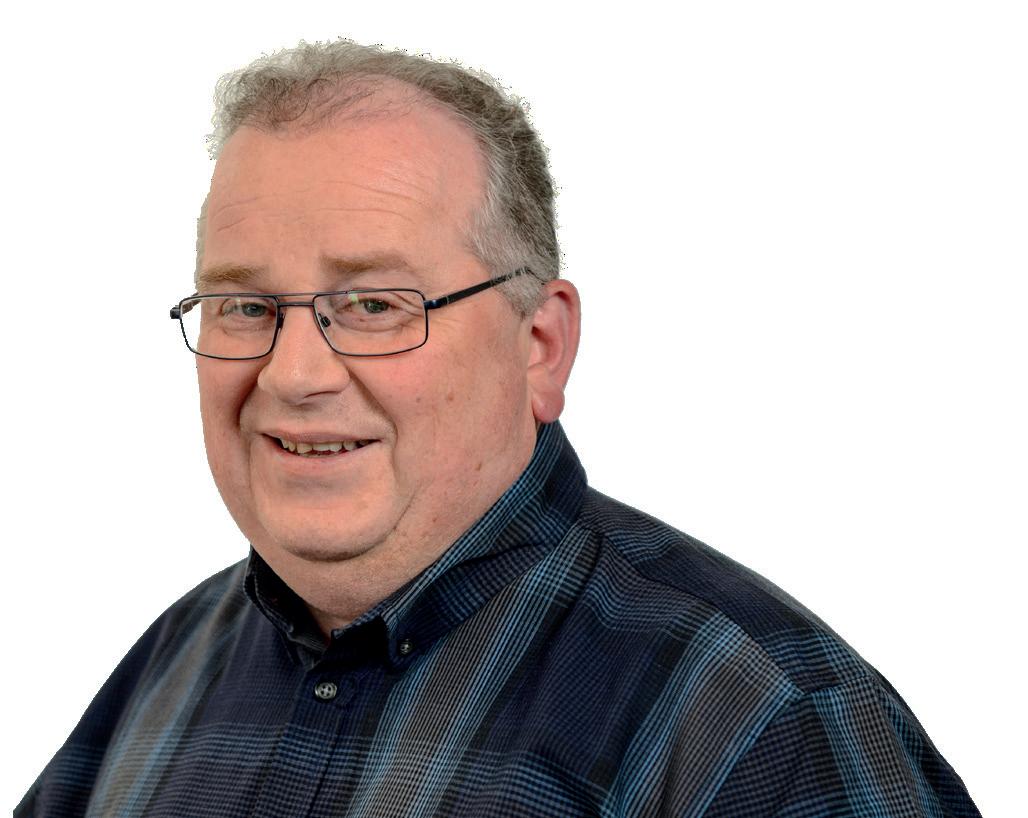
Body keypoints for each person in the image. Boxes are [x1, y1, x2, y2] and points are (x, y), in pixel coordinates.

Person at [17, 40, 980, 817]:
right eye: (244, 307)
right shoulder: (166, 671)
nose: (295, 374)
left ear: (540, 345)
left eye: (375, 304)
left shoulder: (767, 724)